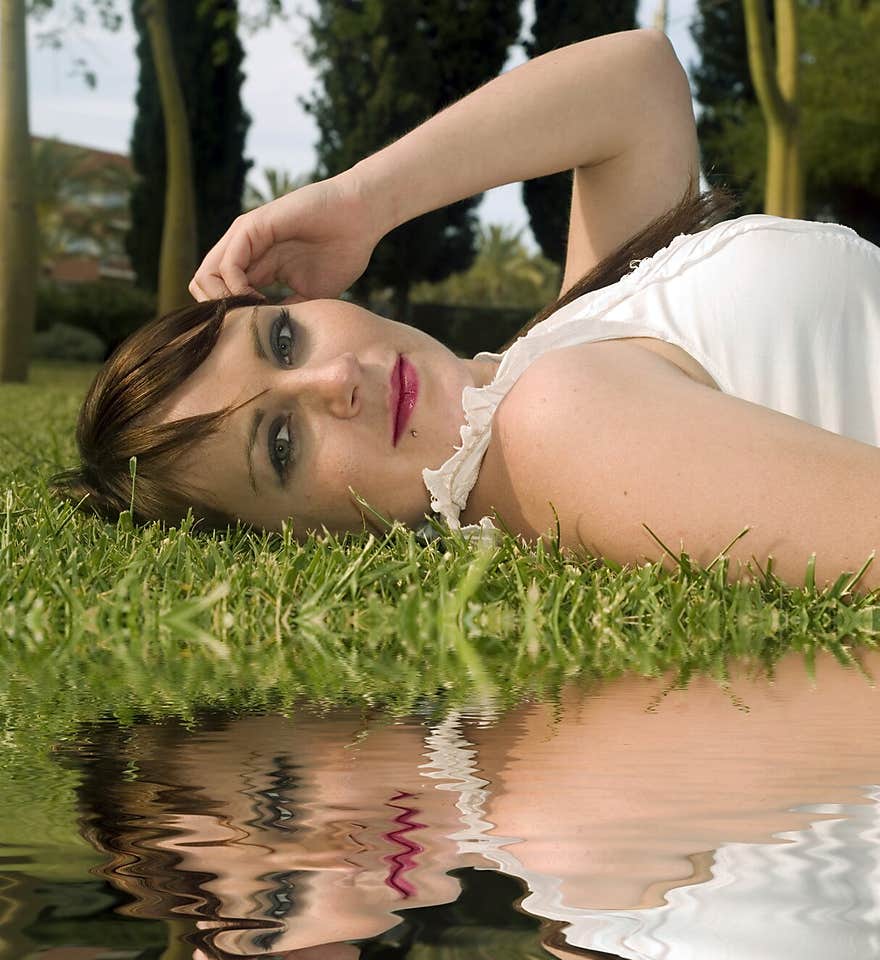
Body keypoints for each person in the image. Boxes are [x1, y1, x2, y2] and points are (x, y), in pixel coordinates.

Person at [51, 29, 880, 589]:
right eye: (280, 440)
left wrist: (360, 201)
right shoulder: (549, 429)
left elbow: (638, 83)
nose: (336, 379)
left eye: (283, 336)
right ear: (300, 538)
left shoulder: (556, 350)